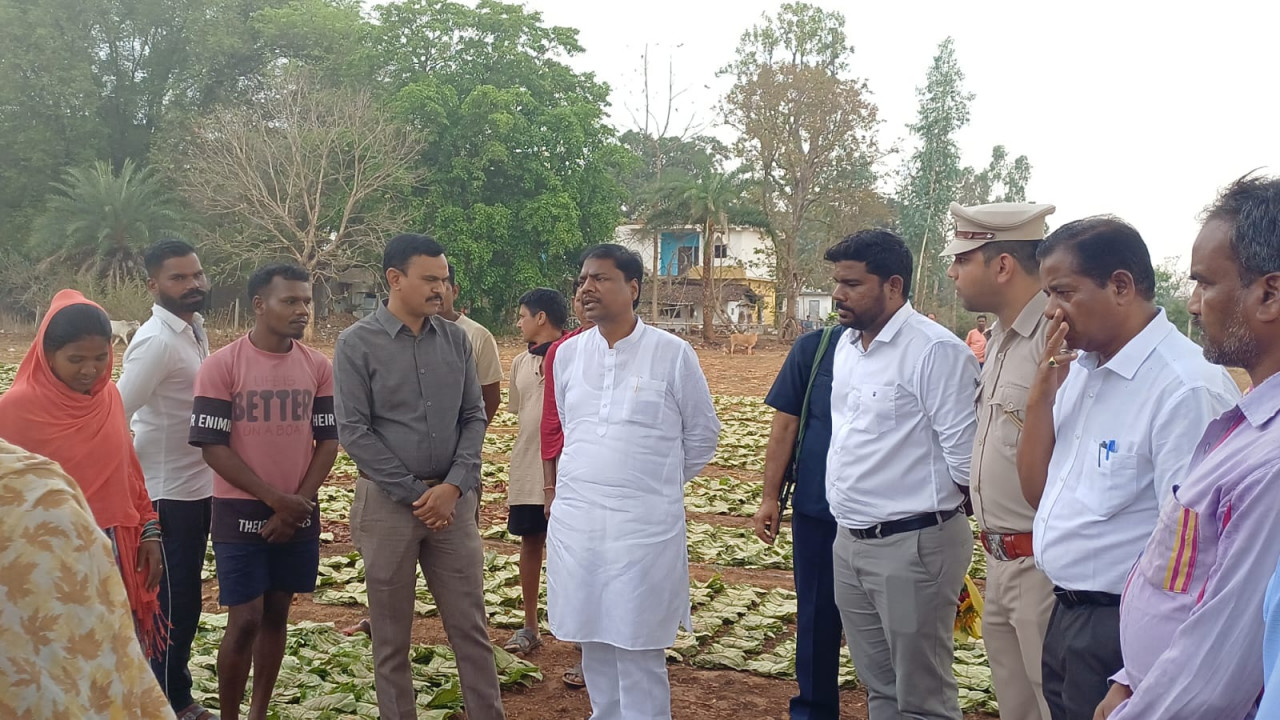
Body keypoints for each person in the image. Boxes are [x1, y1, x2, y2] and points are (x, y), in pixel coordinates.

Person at [1016, 217, 1239, 720]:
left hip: (1122, 632)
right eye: (1049, 295)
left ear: (1120, 286)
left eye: (1063, 292)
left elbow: (1197, 557)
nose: (1051, 311)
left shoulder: (1184, 388)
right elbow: (1037, 491)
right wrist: (1040, 394)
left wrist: (1138, 672)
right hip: (1067, 616)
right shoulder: (1081, 370)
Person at [1094, 177, 1280, 719]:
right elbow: (1185, 585)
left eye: (1204, 283)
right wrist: (1131, 679)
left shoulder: (1271, 461)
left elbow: (1220, 665)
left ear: (1269, 294)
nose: (1193, 305)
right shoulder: (1245, 428)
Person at [334, 233, 505, 720]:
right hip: (388, 508)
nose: (440, 289)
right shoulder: (355, 344)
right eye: (430, 279)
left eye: (444, 280)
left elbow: (474, 415)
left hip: (453, 507)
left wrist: (453, 486)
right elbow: (354, 432)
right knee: (390, 638)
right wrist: (417, 494)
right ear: (395, 278)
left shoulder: (456, 340)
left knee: (471, 630)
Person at [546, 243, 720, 720]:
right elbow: (572, 428)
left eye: (601, 278)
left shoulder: (671, 353)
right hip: (580, 523)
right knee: (593, 636)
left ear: (633, 288)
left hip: (643, 528)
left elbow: (702, 435)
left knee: (639, 643)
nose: (587, 288)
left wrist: (651, 484)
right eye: (583, 279)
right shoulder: (567, 355)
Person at [823, 229, 979, 720]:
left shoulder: (934, 351)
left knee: (923, 697)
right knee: (880, 687)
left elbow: (966, 462)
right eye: (836, 282)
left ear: (893, 286)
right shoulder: (847, 346)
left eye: (852, 284)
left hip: (913, 545)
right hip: (850, 541)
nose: (838, 294)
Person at [188, 264, 338, 720]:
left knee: (277, 613)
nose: (302, 310)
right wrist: (276, 501)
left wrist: (297, 505)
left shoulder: (318, 366)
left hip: (298, 510)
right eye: (289, 301)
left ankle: (258, 712)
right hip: (239, 510)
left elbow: (328, 441)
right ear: (259, 304)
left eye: (306, 301)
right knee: (245, 618)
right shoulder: (221, 366)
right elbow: (212, 447)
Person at [0, 290, 166, 658]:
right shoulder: (14, 410)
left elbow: (129, 472)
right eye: (76, 359)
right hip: (43, 560)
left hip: (113, 547)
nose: (90, 370)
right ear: (48, 355)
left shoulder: (110, 398)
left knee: (113, 656)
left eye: (100, 357)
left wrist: (148, 530)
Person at [944, 201, 1058, 720]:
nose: (953, 272)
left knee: (1053, 705)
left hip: (1043, 569)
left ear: (1003, 265)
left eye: (962, 260)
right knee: (1017, 708)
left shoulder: (1057, 339)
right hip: (998, 559)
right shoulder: (998, 340)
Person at [0, 438, 172, 719]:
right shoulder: (35, 479)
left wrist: (148, 526)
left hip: (98, 549)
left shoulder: (43, 487)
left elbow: (128, 470)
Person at [117, 239, 217, 720]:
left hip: (198, 487)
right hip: (164, 492)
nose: (193, 284)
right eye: (179, 278)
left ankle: (173, 695)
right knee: (170, 607)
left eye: (196, 275)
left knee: (187, 601)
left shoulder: (194, 329)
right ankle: (168, 701)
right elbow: (117, 412)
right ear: (153, 285)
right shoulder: (156, 340)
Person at [752, 322, 840, 719]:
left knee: (890, 632)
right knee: (817, 617)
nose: (839, 295)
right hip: (818, 511)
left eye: (853, 289)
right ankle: (814, 711)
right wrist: (770, 497)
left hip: (889, 520)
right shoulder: (815, 348)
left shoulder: (921, 348)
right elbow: (785, 425)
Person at [502, 287, 568, 656]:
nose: (518, 323)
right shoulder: (519, 363)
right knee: (530, 543)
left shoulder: (574, 357)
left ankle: (580, 635)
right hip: (528, 468)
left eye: (522, 316)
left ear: (540, 318)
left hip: (567, 471)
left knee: (573, 551)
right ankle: (530, 625)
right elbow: (522, 414)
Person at [541, 286, 594, 688]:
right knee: (580, 569)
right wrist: (551, 487)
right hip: (573, 483)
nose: (586, 299)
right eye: (579, 293)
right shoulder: (563, 352)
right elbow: (552, 423)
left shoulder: (661, 351)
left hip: (621, 495)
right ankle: (586, 654)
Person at [440, 263, 504, 422]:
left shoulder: (479, 336)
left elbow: (491, 396)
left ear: (455, 291)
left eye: (442, 287)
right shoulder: (410, 332)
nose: (436, 293)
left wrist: (474, 432)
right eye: (428, 286)